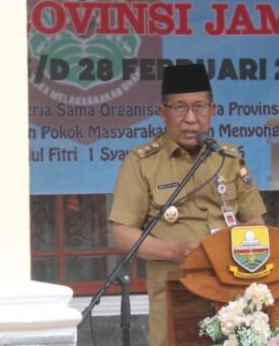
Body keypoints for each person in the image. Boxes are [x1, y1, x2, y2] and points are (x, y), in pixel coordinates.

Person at [108, 63, 267, 346]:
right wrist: (175, 250)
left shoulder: (229, 159)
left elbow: (256, 223)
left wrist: (231, 248)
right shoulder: (142, 162)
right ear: (162, 111)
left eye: (199, 107)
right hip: (175, 288)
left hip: (231, 289)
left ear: (212, 110)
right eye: (180, 108)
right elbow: (122, 233)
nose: (191, 118)